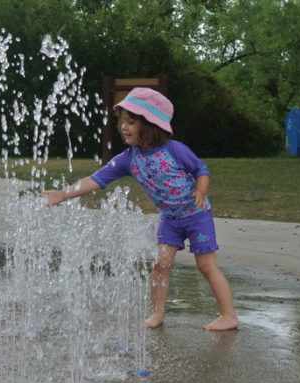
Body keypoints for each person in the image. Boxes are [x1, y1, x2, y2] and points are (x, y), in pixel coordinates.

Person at [43, 87, 238, 331]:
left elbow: (201, 169)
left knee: (206, 266)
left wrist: (201, 190)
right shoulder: (128, 159)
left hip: (197, 216)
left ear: (149, 125)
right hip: (170, 220)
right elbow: (97, 178)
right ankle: (157, 314)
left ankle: (228, 316)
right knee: (160, 266)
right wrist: (64, 194)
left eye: (131, 121)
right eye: (122, 121)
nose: (124, 127)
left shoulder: (174, 150)